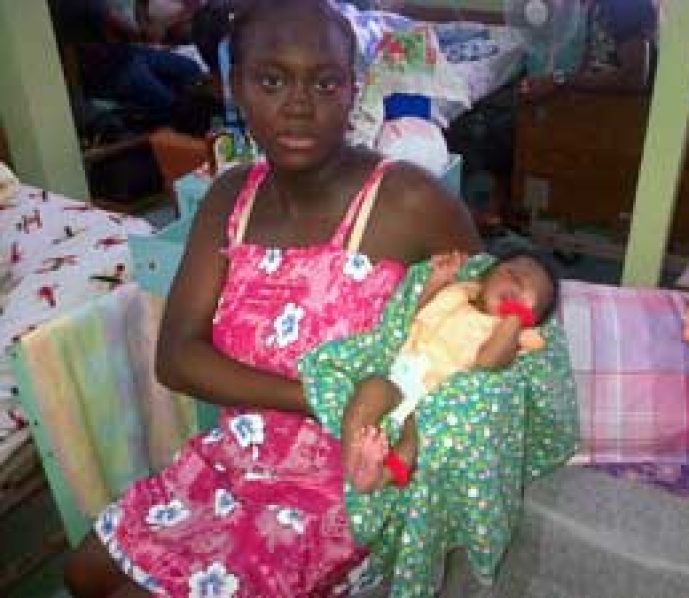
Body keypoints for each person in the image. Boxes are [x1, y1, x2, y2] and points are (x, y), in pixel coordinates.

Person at [62, 0, 481, 596]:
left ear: (352, 89)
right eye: (272, 80)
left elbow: (488, 334)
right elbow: (177, 357)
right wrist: (325, 396)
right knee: (83, 573)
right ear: (236, 87)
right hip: (240, 457)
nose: (299, 105)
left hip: (351, 483)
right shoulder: (231, 198)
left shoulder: (409, 202)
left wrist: (393, 423)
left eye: (325, 82)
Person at [339, 248, 559, 493]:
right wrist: (438, 281)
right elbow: (416, 315)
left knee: (417, 435)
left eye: (529, 289)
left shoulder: (512, 337)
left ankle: (381, 476)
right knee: (369, 390)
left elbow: (489, 363)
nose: (518, 283)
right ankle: (355, 461)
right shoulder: (459, 294)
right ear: (486, 277)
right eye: (511, 273)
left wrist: (514, 318)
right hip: (399, 378)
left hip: (437, 401)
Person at [49, 0, 207, 125]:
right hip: (112, 72)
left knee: (190, 71)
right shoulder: (85, 3)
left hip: (128, 54)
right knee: (177, 105)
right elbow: (137, 32)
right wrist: (161, 26)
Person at [519, 0, 659, 101]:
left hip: (620, 116)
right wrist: (548, 84)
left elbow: (634, 78)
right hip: (587, 107)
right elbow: (587, 68)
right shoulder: (591, 7)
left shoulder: (629, 5)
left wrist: (559, 80)